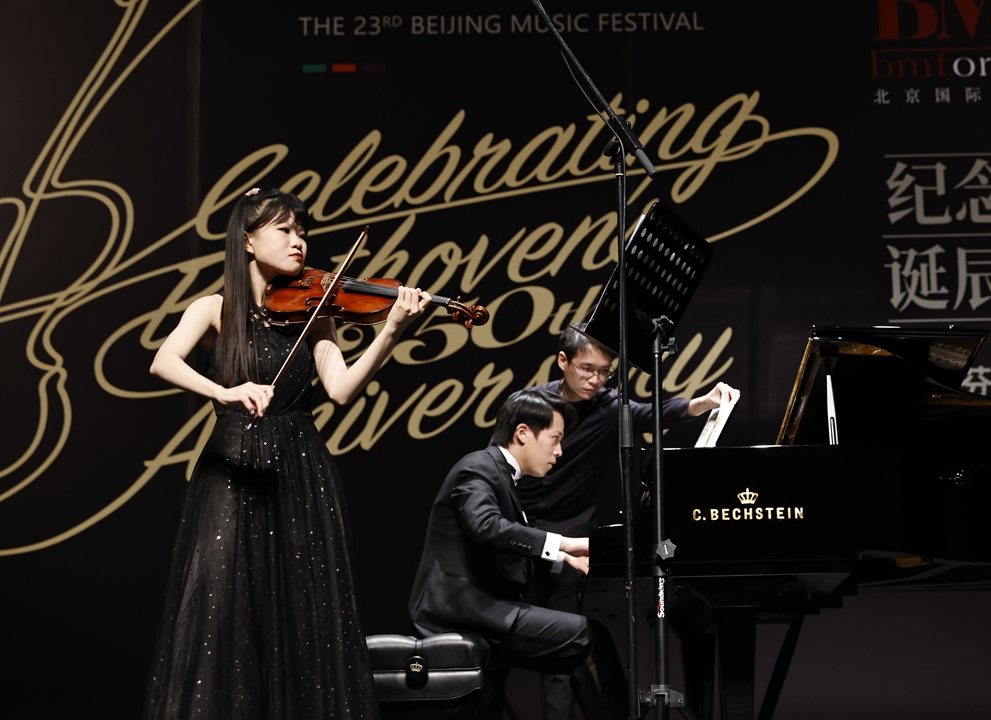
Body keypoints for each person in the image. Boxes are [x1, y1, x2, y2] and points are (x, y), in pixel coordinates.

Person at [143, 187, 430, 720]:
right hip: (231, 471)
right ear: (248, 241)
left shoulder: (314, 312)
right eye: (285, 230)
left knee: (304, 614)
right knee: (222, 616)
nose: (299, 242)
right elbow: (164, 362)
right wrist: (226, 391)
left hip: (301, 469)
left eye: (302, 231)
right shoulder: (214, 308)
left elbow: (340, 389)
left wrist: (389, 330)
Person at [522, 326, 739, 720]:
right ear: (562, 361)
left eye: (605, 372)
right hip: (520, 535)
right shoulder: (532, 404)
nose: (595, 379)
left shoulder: (609, 407)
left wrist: (702, 402)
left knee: (561, 654)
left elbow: (655, 413)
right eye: (587, 369)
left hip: (571, 546)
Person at [408, 389, 628, 720]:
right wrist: (565, 544)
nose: (560, 451)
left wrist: (562, 560)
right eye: (554, 439)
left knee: (585, 639)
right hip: (461, 610)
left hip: (482, 607)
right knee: (588, 637)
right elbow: (486, 526)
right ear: (523, 433)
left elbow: (501, 547)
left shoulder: (503, 477)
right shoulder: (478, 468)